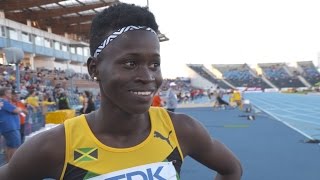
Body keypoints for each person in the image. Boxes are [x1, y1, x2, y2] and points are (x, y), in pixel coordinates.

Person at [0, 3, 242, 179]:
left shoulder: (181, 130)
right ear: (94, 68)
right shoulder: (57, 146)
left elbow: (232, 170)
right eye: (130, 63)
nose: (148, 77)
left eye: (154, 64)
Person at [0, 87, 23, 162]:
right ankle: (12, 165)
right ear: (5, 94)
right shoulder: (3, 101)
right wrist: (20, 109)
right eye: (9, 93)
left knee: (9, 147)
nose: (11, 94)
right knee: (14, 147)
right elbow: (16, 110)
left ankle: (9, 164)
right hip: (10, 127)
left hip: (8, 127)